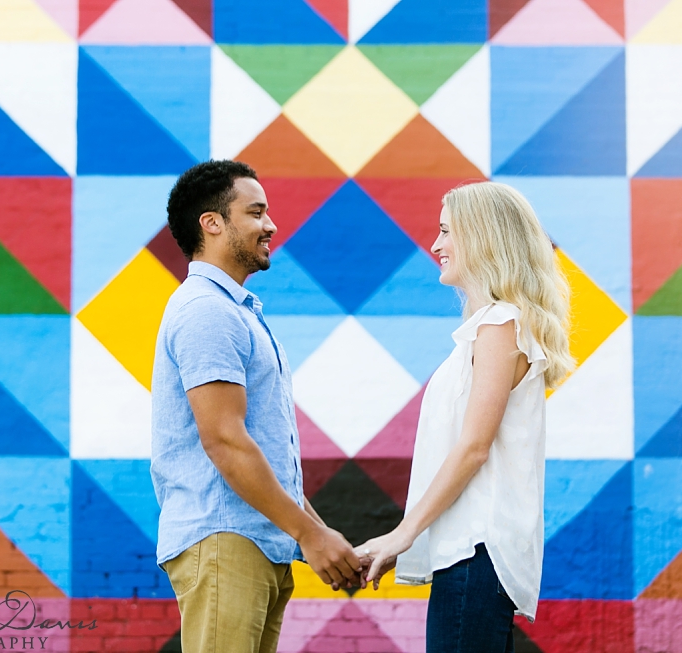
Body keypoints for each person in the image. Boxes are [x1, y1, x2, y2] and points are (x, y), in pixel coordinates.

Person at [150, 160, 363, 653]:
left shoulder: (234, 311)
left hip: (254, 542)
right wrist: (309, 534)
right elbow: (224, 439)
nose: (270, 225)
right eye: (256, 212)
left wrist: (314, 530)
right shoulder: (207, 310)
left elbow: (259, 447)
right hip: (226, 538)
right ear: (213, 223)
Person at [357, 181, 574, 653]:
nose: (435, 245)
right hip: (468, 555)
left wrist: (401, 535)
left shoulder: (499, 325)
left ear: (482, 237)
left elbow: (473, 447)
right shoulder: (493, 326)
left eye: (445, 231)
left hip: (475, 553)